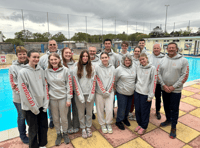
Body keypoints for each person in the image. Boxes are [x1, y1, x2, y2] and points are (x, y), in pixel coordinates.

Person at [18, 49, 49, 148]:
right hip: (30, 108)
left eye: (38, 57)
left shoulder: (41, 70)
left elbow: (45, 87)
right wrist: (34, 107)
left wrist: (45, 103)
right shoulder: (23, 72)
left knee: (43, 127)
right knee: (33, 129)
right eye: (34, 57)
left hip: (41, 105)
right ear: (28, 58)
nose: (36, 59)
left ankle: (42, 144)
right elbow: (24, 92)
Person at [158, 42, 189, 139]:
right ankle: (168, 120)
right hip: (164, 88)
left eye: (173, 48)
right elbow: (158, 73)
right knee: (166, 106)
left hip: (175, 90)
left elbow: (185, 75)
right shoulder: (163, 60)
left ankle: (173, 127)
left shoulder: (183, 61)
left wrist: (173, 86)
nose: (171, 49)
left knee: (174, 109)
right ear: (167, 49)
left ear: (176, 49)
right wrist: (163, 85)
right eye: (169, 48)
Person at [45, 53, 72, 146]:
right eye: (51, 60)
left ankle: (65, 133)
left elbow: (69, 85)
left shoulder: (65, 70)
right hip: (52, 99)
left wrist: (69, 98)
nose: (53, 61)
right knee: (55, 119)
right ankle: (58, 134)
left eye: (55, 59)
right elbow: (46, 86)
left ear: (59, 60)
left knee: (64, 118)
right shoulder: (46, 71)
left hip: (63, 98)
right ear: (49, 61)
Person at [73, 50, 96, 139]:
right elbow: (76, 83)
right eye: (83, 56)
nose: (85, 58)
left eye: (87, 56)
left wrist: (91, 94)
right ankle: (83, 127)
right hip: (80, 95)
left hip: (89, 94)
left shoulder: (92, 68)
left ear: (88, 57)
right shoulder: (76, 68)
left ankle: (88, 127)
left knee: (89, 112)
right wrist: (80, 95)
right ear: (81, 57)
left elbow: (94, 82)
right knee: (81, 112)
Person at [39, 39, 62, 129]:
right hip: (49, 85)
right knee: (51, 105)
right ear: (48, 46)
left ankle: (63, 119)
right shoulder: (43, 58)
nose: (52, 46)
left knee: (62, 104)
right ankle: (52, 120)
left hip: (60, 85)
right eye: (50, 45)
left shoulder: (62, 56)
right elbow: (39, 71)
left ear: (57, 46)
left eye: (54, 44)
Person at [9, 46, 29, 144]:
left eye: (24, 54)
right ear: (17, 55)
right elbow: (14, 85)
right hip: (19, 99)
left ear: (26, 54)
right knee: (22, 117)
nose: (22, 56)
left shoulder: (30, 65)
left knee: (30, 116)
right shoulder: (13, 68)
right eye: (20, 54)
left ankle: (32, 132)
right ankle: (23, 135)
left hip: (30, 99)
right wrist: (27, 94)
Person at [134, 53, 157, 135]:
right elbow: (136, 79)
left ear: (147, 58)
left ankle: (144, 126)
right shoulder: (138, 67)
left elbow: (153, 82)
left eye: (143, 59)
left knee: (145, 111)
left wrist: (151, 95)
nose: (142, 61)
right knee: (137, 110)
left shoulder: (152, 68)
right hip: (137, 92)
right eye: (140, 60)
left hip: (146, 94)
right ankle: (139, 124)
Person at [95, 52, 115, 134]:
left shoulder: (112, 67)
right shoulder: (97, 67)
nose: (104, 59)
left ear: (108, 58)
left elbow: (113, 80)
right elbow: (97, 79)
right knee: (100, 110)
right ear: (100, 59)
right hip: (99, 93)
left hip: (110, 92)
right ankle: (102, 124)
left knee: (109, 109)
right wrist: (103, 91)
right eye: (102, 57)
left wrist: (108, 91)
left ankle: (108, 123)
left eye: (105, 57)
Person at [115, 54, 136, 130]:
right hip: (122, 92)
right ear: (123, 61)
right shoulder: (118, 69)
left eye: (129, 60)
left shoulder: (134, 68)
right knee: (122, 108)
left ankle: (125, 118)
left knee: (128, 107)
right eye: (126, 60)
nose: (127, 62)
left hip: (130, 92)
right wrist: (115, 90)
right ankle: (119, 121)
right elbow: (115, 80)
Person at [62, 47, 80, 134]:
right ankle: (68, 125)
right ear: (62, 54)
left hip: (75, 90)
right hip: (65, 91)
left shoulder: (75, 64)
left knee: (76, 109)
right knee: (67, 110)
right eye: (66, 53)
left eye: (69, 53)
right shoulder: (60, 64)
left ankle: (76, 124)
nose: (68, 54)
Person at [148, 43, 165, 120]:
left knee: (158, 98)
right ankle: (147, 110)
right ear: (153, 49)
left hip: (158, 83)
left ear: (160, 49)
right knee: (149, 97)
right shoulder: (149, 57)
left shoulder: (164, 58)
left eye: (157, 48)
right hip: (150, 82)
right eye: (155, 48)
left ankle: (157, 111)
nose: (156, 49)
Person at [129, 46, 141, 121]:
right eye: (135, 51)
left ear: (140, 52)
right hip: (131, 82)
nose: (136, 52)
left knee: (138, 100)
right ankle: (130, 113)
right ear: (133, 52)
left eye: (138, 51)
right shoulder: (130, 60)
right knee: (131, 99)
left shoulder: (141, 60)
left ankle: (138, 114)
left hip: (139, 82)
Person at [88, 46, 100, 120]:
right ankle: (90, 112)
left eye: (93, 51)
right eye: (90, 51)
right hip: (88, 84)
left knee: (98, 100)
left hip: (98, 84)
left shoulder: (99, 61)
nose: (92, 52)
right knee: (89, 100)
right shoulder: (85, 60)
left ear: (96, 52)